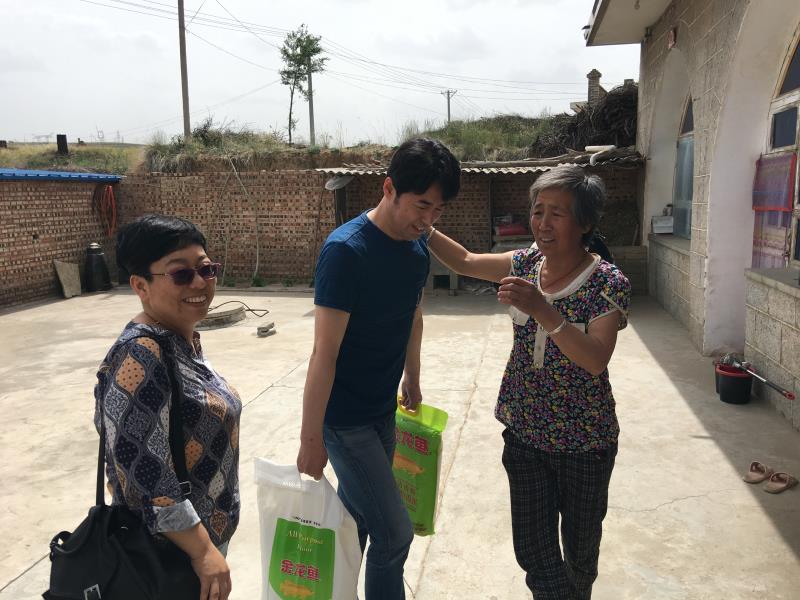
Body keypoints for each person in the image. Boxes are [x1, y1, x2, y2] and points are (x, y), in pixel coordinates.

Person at [427, 165, 630, 600]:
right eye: (538, 211)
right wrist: (422, 225)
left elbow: (595, 359)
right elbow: (465, 262)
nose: (543, 223)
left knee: (580, 552)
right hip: (524, 432)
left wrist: (543, 309)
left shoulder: (607, 283)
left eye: (557, 213)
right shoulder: (524, 263)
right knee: (534, 550)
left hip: (585, 441)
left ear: (585, 223)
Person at [296, 138, 461, 599]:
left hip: (381, 411)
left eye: (438, 210)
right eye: (422, 205)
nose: (427, 220)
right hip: (344, 420)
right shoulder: (347, 252)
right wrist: (311, 439)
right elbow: (323, 353)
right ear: (389, 188)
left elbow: (413, 314)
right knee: (395, 533)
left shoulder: (416, 247)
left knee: (357, 523)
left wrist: (413, 374)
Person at [94, 214, 241, 600]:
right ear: (140, 285)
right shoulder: (141, 355)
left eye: (206, 269)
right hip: (169, 558)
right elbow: (144, 476)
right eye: (181, 274)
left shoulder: (180, 339)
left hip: (200, 542)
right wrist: (202, 551)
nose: (200, 283)